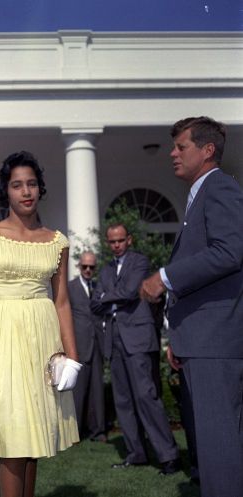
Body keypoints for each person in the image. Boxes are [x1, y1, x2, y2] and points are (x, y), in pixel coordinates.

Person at [0, 151, 81, 497]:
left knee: (34, 439)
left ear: (40, 189)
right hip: (4, 336)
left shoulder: (57, 241)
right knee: (13, 438)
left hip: (43, 337)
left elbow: (61, 301)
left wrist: (72, 356)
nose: (25, 191)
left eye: (31, 184)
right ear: (7, 191)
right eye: (17, 185)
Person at [140, 116, 243, 497]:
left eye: (181, 146)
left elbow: (229, 252)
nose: (173, 154)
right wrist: (181, 337)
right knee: (216, 445)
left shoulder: (219, 188)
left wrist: (163, 277)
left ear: (207, 149)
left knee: (220, 448)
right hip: (202, 342)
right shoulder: (203, 193)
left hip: (216, 344)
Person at [90, 223, 179, 474]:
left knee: (146, 396)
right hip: (115, 339)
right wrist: (108, 297)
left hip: (138, 338)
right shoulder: (105, 270)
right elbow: (93, 305)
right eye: (112, 242)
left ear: (129, 239)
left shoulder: (139, 261)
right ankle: (136, 453)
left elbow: (129, 292)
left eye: (120, 240)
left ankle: (168, 455)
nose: (116, 245)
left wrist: (106, 296)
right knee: (123, 400)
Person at [68, 251, 107, 442]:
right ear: (79, 267)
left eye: (92, 267)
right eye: (85, 266)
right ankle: (74, 432)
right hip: (78, 345)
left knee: (97, 391)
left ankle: (98, 431)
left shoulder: (100, 286)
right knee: (77, 391)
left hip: (97, 344)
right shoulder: (70, 287)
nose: (88, 270)